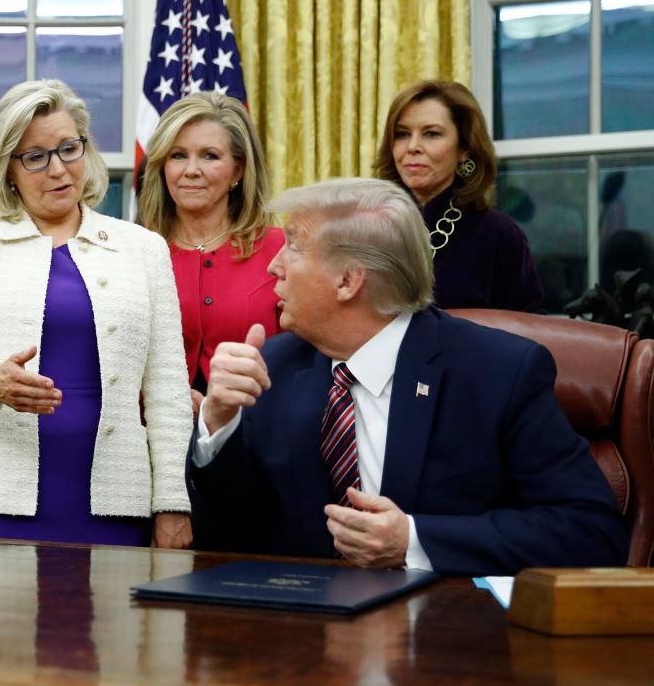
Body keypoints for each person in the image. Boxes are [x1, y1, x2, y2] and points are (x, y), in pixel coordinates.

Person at [189, 177, 628, 577]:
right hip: (301, 643)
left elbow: (592, 531)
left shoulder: (498, 372)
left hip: (443, 641)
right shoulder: (276, 366)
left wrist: (413, 541)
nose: (273, 267)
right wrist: (218, 423)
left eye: (295, 247)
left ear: (348, 281)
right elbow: (229, 536)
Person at [0, 79, 193, 548]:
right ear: (8, 169)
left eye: (68, 148)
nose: (58, 169)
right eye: (35, 157)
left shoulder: (144, 249)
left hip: (115, 504)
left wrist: (173, 502)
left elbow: (166, 390)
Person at [139, 92, 282, 419]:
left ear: (238, 170)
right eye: (177, 156)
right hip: (151, 440)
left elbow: (306, 365)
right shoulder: (137, 252)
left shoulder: (281, 250)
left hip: (254, 442)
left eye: (209, 156)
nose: (191, 170)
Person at [375, 79, 544, 312]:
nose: (412, 146)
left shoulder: (499, 234)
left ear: (465, 149)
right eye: (402, 134)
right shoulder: (367, 225)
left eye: (431, 134)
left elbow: (529, 333)